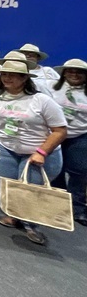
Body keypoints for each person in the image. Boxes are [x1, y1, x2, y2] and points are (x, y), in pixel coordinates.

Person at [0, 60, 68, 245]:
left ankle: (32, 226)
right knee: (9, 187)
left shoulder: (41, 100)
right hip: (7, 149)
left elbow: (60, 130)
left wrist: (41, 152)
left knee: (30, 190)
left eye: (13, 74)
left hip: (37, 153)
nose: (7, 78)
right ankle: (15, 217)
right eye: (4, 74)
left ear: (25, 78)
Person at [49, 59, 87, 226]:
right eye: (70, 71)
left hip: (79, 136)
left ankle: (77, 208)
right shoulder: (51, 88)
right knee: (56, 169)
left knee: (79, 172)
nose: (74, 74)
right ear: (64, 72)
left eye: (79, 72)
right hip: (54, 135)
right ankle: (59, 202)